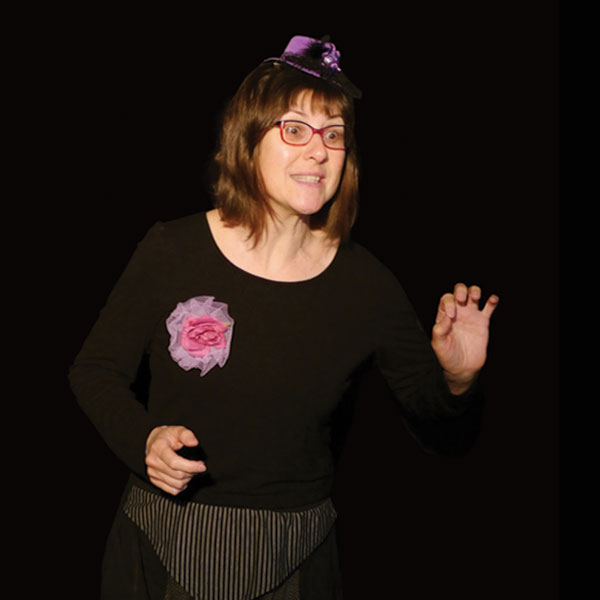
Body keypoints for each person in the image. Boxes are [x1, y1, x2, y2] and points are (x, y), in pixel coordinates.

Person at [69, 35, 499, 600]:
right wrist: (143, 439)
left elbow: (440, 427)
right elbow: (95, 370)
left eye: (334, 135)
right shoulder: (172, 249)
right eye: (295, 129)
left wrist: (458, 379)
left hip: (296, 555)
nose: (319, 151)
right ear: (248, 141)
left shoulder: (366, 284)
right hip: (160, 542)